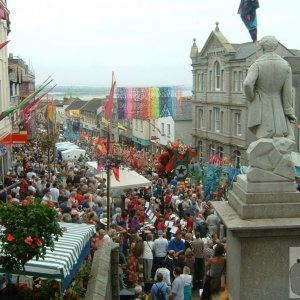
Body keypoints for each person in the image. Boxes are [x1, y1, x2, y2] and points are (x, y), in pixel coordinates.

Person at [244, 35, 296, 140]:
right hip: (279, 112)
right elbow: (287, 93)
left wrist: (251, 97)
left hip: (263, 109)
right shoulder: (285, 65)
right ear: (275, 47)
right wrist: (289, 112)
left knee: (264, 136)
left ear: (262, 47)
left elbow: (247, 84)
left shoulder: (257, 64)